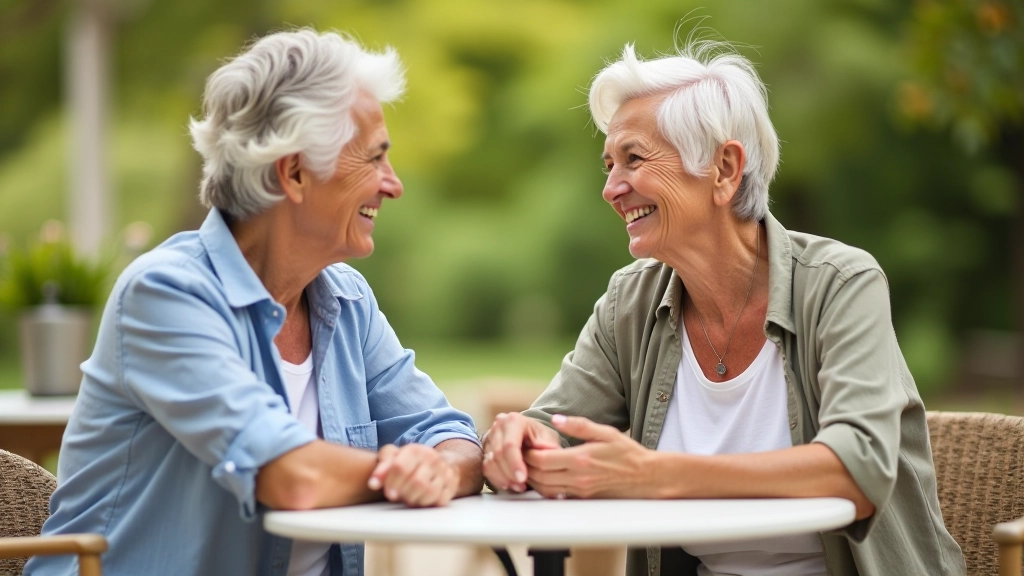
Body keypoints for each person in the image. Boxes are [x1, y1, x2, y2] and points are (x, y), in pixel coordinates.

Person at [481, 40, 965, 576]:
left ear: (724, 168)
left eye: (634, 159)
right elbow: (556, 425)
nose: (611, 188)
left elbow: (857, 468)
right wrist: (524, 438)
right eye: (609, 164)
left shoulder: (840, 284)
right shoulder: (630, 301)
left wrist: (655, 475)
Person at [28, 29, 483, 576]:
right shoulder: (164, 295)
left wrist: (439, 469)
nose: (393, 184)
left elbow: (451, 437)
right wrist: (401, 471)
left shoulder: (346, 298)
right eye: (375, 158)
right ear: (292, 172)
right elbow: (292, 477)